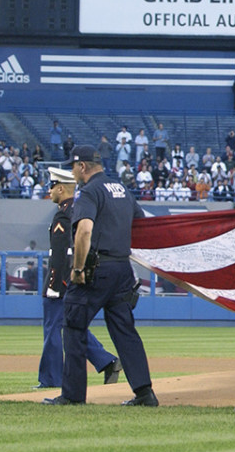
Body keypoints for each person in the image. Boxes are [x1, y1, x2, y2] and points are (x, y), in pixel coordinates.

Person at [44, 145, 157, 407]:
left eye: (73, 166)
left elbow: (84, 231)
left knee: (73, 325)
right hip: (122, 270)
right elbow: (141, 226)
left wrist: (79, 269)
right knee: (125, 331)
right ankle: (144, 393)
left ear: (82, 166)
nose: (72, 172)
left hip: (96, 270)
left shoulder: (90, 192)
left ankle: (72, 395)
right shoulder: (123, 190)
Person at [36, 166, 122, 390]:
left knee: (54, 330)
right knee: (72, 326)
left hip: (61, 283)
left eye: (53, 186)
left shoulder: (64, 214)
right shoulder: (79, 209)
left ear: (62, 188)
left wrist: (57, 285)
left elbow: (64, 254)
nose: (51, 191)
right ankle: (106, 361)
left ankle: (51, 379)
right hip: (70, 280)